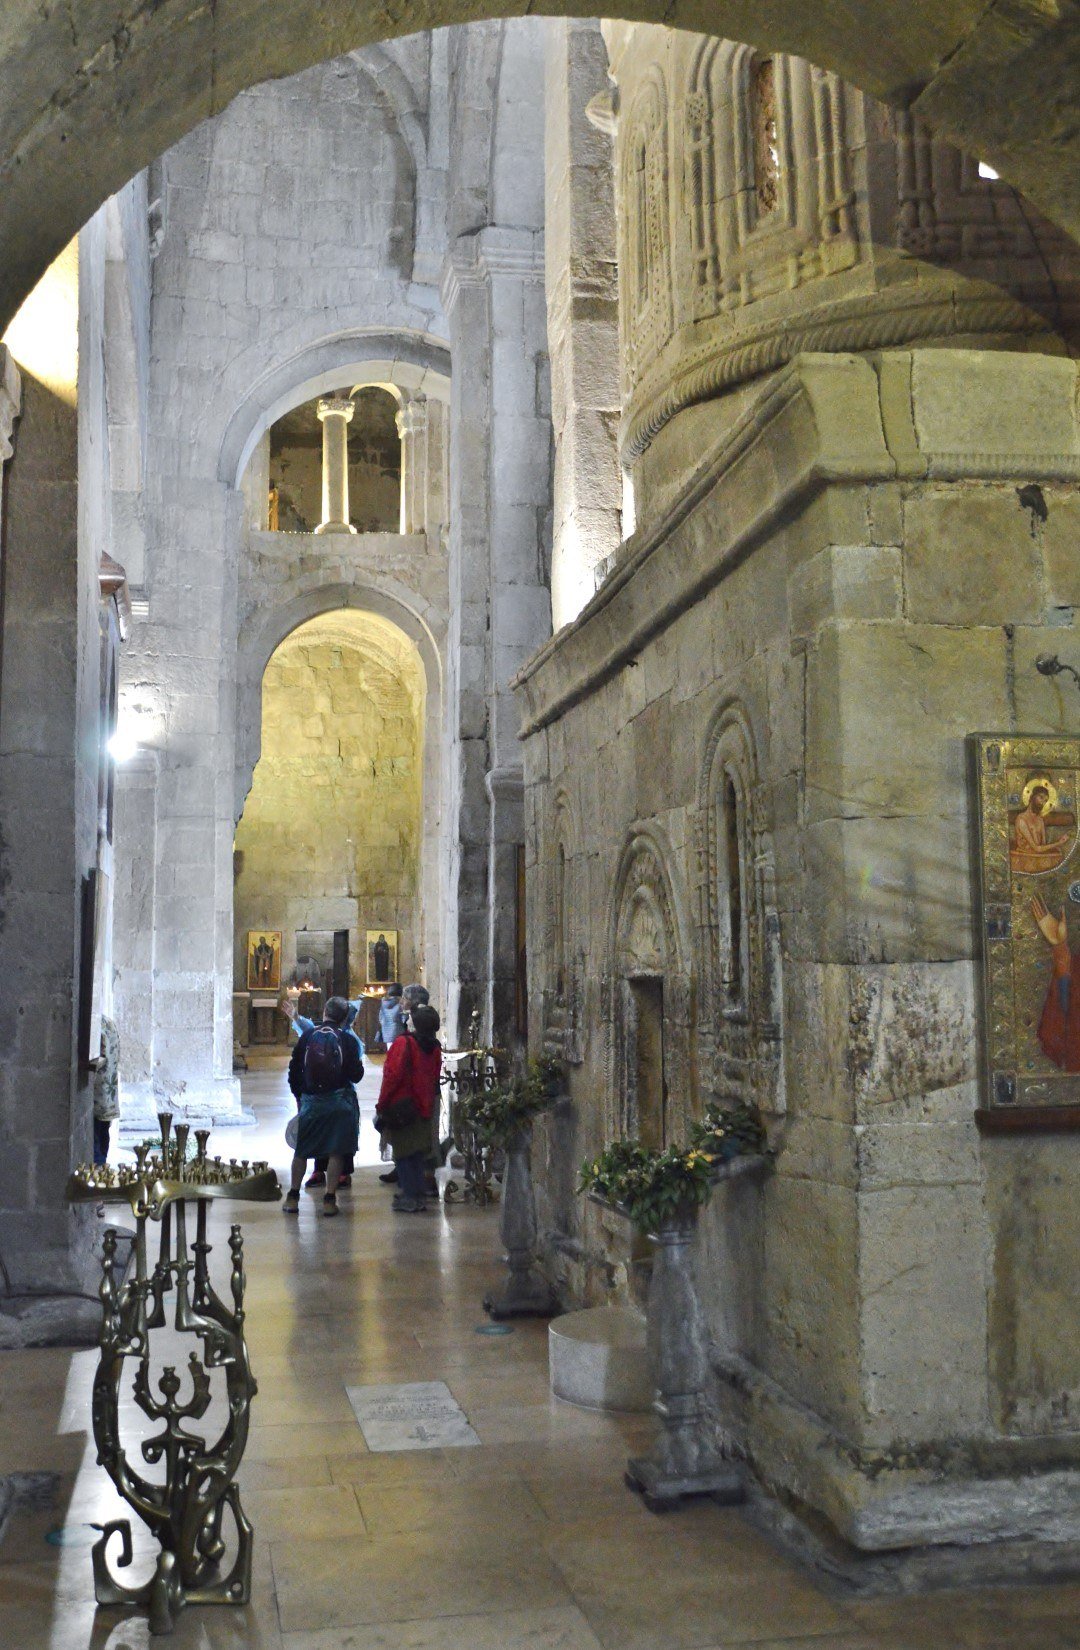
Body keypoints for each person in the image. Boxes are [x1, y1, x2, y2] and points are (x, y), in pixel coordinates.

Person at [283, 996, 363, 1217]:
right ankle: (329, 1199)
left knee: (301, 1150)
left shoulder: (309, 1036)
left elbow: (294, 1070)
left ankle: (292, 1197)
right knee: (336, 1151)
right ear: (345, 1017)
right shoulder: (347, 1040)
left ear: (325, 1012)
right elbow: (356, 1075)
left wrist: (301, 1096)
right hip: (338, 1102)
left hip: (312, 1102)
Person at [375, 1004, 443, 1212]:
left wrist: (382, 1103)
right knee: (416, 1153)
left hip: (402, 1104)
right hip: (424, 1104)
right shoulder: (435, 1046)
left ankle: (411, 1196)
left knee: (403, 1152)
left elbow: (392, 1075)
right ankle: (417, 1194)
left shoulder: (404, 1043)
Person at [91, 1015, 120, 1166]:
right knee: (102, 1139)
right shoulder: (108, 1023)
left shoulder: (97, 1025)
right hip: (107, 1099)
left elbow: (96, 1060)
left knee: (96, 1150)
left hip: (96, 1097)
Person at [379, 981, 407, 1048]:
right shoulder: (401, 1004)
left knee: (391, 1053)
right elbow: (404, 1019)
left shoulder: (384, 1003)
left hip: (387, 1034)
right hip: (399, 1033)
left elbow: (380, 1018)